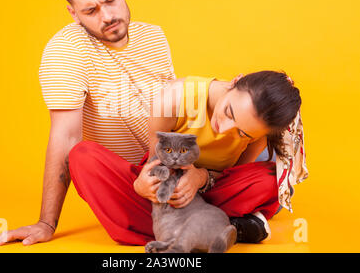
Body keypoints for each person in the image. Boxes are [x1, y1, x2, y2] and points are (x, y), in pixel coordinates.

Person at [0, 0, 175, 247]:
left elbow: (177, 111)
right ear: (74, 13)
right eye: (91, 10)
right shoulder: (66, 50)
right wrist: (46, 223)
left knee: (259, 131)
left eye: (110, 0)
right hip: (130, 184)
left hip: (171, 164)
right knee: (82, 157)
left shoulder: (154, 36)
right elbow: (66, 135)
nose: (107, 17)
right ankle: (206, 223)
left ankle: (205, 216)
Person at [67, 71, 308, 245]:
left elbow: (233, 175)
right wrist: (141, 186)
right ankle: (222, 230)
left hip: (210, 195)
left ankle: (187, 234)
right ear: (234, 82)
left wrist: (201, 178)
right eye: (228, 112)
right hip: (166, 195)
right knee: (82, 156)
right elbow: (156, 160)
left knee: (273, 177)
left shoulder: (257, 135)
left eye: (241, 132)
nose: (224, 129)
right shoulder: (174, 98)